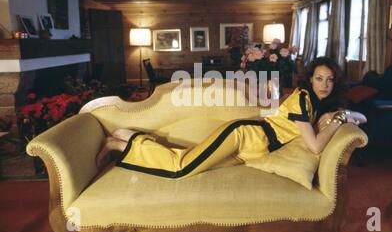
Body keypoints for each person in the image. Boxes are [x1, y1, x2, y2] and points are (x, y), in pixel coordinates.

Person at [95, 57, 367, 179]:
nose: (325, 84)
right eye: (319, 78)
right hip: (245, 136)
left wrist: (344, 114)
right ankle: (123, 141)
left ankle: (122, 143)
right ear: (310, 79)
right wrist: (341, 116)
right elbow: (316, 146)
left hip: (253, 151)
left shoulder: (316, 106)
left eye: (330, 80)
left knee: (193, 161)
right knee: (181, 168)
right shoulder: (301, 97)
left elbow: (362, 117)